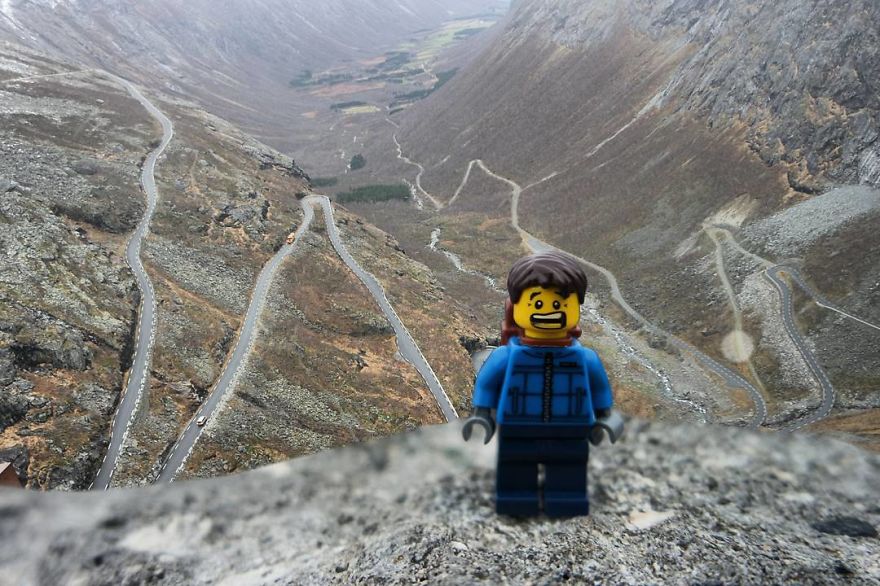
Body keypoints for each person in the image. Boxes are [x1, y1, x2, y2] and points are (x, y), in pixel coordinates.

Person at [462, 251, 623, 516]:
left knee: (568, 470)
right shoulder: (506, 356)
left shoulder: (585, 358)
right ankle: (516, 502)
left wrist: (606, 416)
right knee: (516, 469)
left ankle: (566, 501)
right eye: (537, 303)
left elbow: (599, 388)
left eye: (560, 303)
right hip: (517, 428)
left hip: (571, 430)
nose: (549, 311)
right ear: (515, 307)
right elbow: (487, 383)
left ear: (576, 306)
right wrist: (481, 414)